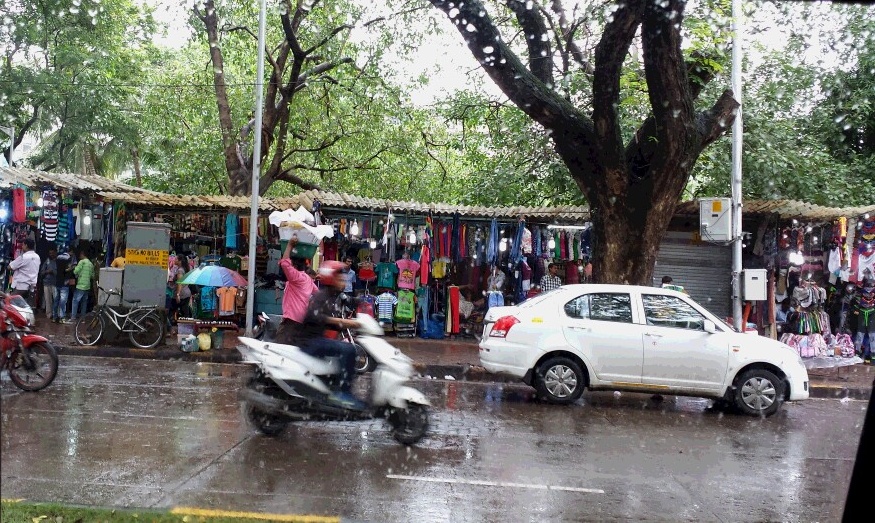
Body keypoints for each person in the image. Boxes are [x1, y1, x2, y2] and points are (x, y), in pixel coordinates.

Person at [296, 260, 366, 410]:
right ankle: (342, 393)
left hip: (315, 340)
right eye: (340, 278)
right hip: (309, 342)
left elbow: (330, 321)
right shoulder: (321, 296)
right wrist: (345, 322)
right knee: (349, 350)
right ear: (331, 278)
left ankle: (330, 389)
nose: (343, 281)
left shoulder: (333, 296)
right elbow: (316, 318)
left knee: (343, 351)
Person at [275, 237, 318, 345]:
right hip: (301, 321)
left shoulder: (296, 277)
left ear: (294, 266)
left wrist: (289, 245)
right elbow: (317, 293)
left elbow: (284, 264)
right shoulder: (307, 280)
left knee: (280, 351)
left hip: (291, 322)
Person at [8, 238, 40, 306]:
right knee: (27, 307)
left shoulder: (24, 257)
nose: (22, 247)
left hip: (21, 286)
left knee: (12, 305)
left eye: (23, 245)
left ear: (26, 245)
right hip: (31, 287)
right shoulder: (37, 257)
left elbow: (10, 267)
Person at [70, 248, 94, 322]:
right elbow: (92, 275)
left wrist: (73, 269)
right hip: (87, 285)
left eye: (80, 254)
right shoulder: (90, 263)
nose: (79, 256)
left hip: (80, 285)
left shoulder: (82, 262)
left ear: (82, 254)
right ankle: (83, 318)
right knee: (84, 302)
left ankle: (73, 317)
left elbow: (75, 271)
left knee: (75, 301)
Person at [55, 250, 73, 323]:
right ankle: (62, 317)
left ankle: (55, 316)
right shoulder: (68, 258)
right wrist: (71, 268)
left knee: (56, 300)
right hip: (64, 283)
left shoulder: (58, 257)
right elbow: (66, 270)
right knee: (63, 300)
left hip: (58, 281)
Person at [40, 247, 58, 320]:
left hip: (55, 283)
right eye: (50, 253)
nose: (51, 255)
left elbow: (59, 273)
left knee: (56, 299)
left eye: (53, 253)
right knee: (48, 301)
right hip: (46, 283)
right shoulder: (47, 261)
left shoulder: (58, 261)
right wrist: (47, 272)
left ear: (56, 253)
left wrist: (52, 271)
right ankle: (49, 315)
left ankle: (56, 314)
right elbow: (41, 272)